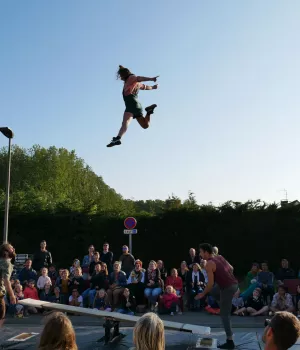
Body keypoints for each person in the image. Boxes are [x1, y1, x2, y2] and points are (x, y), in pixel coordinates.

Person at [196, 243, 238, 349]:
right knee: (214, 291)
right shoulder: (220, 257)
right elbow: (231, 268)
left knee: (224, 315)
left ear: (206, 252)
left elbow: (209, 284)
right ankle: (227, 306)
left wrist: (202, 294)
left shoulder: (209, 264)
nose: (200, 254)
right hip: (233, 284)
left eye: (201, 252)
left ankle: (230, 341)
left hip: (227, 287)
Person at [107, 65, 159, 148]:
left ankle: (118, 138)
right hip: (134, 106)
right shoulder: (134, 83)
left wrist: (151, 79)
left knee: (126, 123)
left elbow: (139, 78)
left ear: (124, 75)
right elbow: (145, 87)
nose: (120, 77)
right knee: (145, 125)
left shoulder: (131, 78)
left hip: (132, 106)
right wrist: (153, 87)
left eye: (121, 76)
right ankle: (149, 112)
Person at [0, 243, 16, 327]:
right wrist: (12, 295)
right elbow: (6, 281)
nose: (13, 248)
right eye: (11, 248)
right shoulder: (6, 263)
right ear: (6, 251)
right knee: (1, 317)